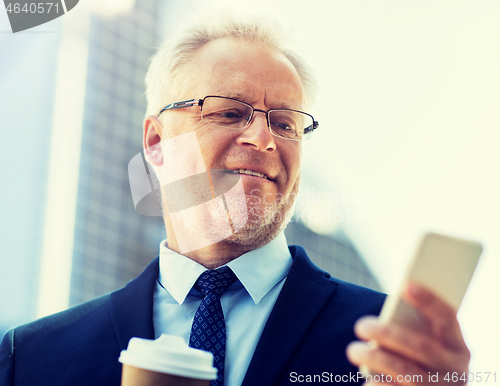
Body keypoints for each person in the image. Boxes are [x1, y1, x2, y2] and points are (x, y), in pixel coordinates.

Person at [0, 15, 469, 386]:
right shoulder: (32, 358)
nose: (265, 138)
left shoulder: (391, 349)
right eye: (230, 112)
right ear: (156, 141)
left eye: (285, 123)